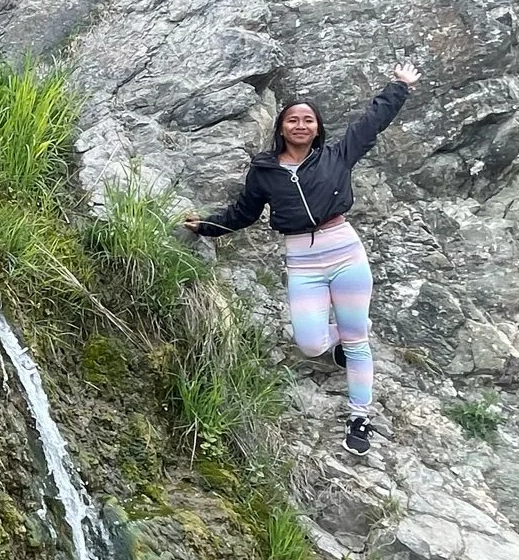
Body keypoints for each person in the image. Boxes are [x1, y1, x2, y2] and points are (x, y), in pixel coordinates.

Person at [178, 65, 419, 456]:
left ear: (318, 129)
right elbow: (244, 212)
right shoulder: (265, 170)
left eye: (308, 120)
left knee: (357, 343)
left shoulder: (338, 155)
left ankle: (359, 418)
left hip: (344, 250)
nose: (301, 125)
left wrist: (400, 87)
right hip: (302, 260)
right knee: (310, 344)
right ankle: (347, 332)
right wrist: (205, 226)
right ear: (281, 128)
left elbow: (372, 122)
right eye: (293, 119)